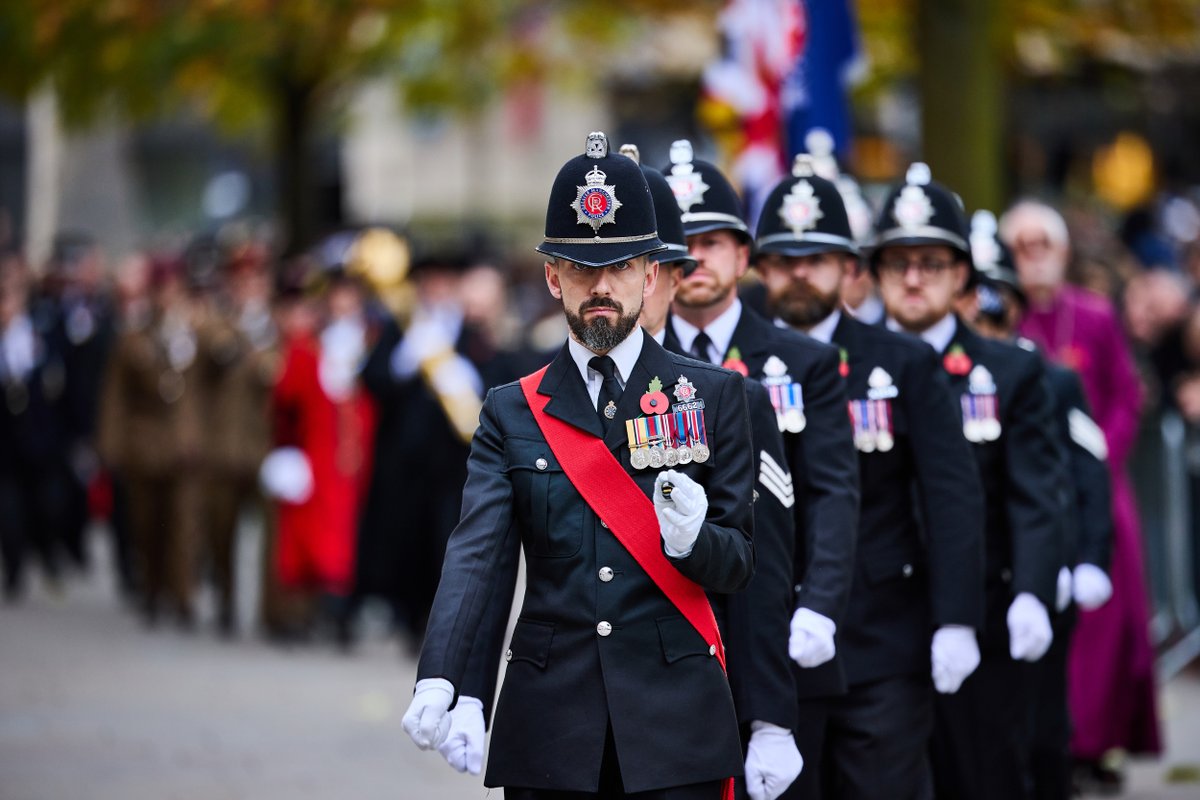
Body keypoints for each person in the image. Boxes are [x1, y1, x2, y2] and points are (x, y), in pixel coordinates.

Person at [403, 132, 756, 799]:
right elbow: (476, 553)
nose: (600, 287)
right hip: (552, 723)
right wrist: (441, 672)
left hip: (674, 725)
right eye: (581, 267)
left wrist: (691, 540)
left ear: (650, 275)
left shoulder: (713, 395)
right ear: (552, 276)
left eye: (619, 267)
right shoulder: (512, 408)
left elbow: (739, 562)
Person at [746, 156, 985, 800]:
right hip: (768, 636)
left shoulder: (901, 362)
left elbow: (951, 494)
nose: (801, 272)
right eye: (785, 258)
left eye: (818, 258)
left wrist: (957, 616)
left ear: (851, 269)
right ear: (761, 268)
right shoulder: (731, 367)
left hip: (878, 634)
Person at [871, 165, 1063, 800]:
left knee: (985, 773)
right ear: (875, 274)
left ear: (961, 276)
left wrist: (1033, 591)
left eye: (932, 261)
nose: (915, 278)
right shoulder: (842, 366)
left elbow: (1034, 492)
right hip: (878, 614)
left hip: (985, 607)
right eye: (898, 262)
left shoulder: (1008, 371)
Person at [659, 140, 860, 739]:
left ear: (744, 255)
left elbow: (829, 492)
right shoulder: (634, 366)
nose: (694, 259)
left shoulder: (808, 362)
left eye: (711, 243)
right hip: (665, 629)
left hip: (775, 621)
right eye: (680, 245)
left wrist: (819, 605)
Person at [1000, 200, 1161, 787]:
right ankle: (1053, 745)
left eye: (1044, 243)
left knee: (1106, 627)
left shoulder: (1092, 315)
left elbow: (1125, 396)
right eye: (1022, 245)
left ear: (1063, 252)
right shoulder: (1003, 319)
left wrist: (1101, 459)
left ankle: (1097, 744)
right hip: (1028, 490)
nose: (1034, 256)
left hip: (1097, 491)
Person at [967, 214, 1114, 800]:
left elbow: (1088, 470)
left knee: (1043, 725)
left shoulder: (1050, 379)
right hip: (973, 570)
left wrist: (1089, 557)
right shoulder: (937, 374)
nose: (985, 316)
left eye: (997, 301)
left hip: (1042, 567)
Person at [97, 255, 205, 628]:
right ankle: (152, 588)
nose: (168, 298)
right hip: (145, 445)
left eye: (174, 290)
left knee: (184, 524)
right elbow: (116, 397)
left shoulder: (196, 331)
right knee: (147, 523)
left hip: (185, 447)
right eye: (162, 290)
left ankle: (183, 594)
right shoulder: (134, 337)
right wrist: (111, 446)